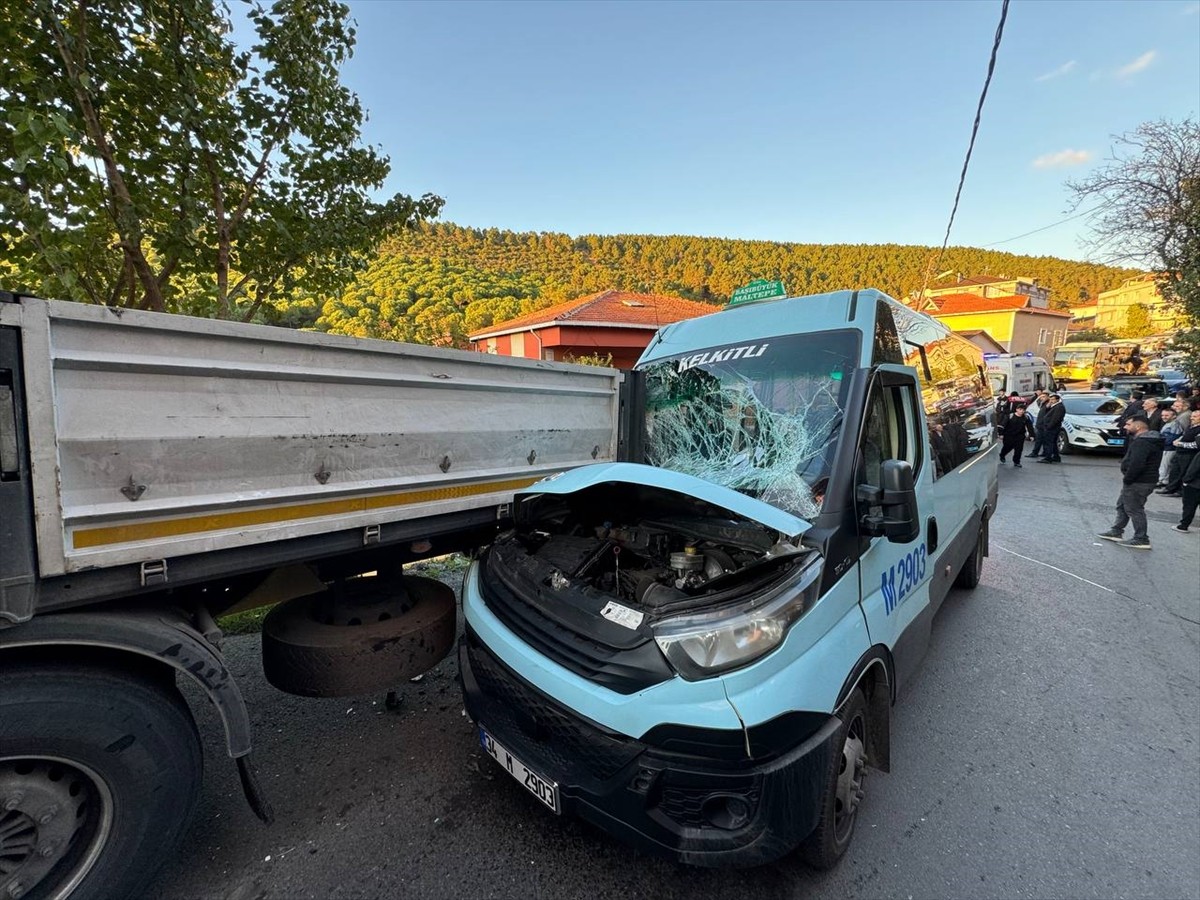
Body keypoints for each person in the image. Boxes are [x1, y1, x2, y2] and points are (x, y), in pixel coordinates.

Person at [1097, 415, 1164, 550]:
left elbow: (1137, 463)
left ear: (1138, 426)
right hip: (1139, 480)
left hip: (1139, 481)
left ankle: (1141, 538)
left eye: (1128, 424)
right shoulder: (1146, 440)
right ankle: (1116, 530)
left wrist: (1128, 478)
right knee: (1123, 505)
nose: (1125, 427)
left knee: (1134, 509)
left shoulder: (1143, 442)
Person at [1158, 412, 1200, 497]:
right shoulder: (1190, 426)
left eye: (1195, 416)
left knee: (1182, 473)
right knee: (1174, 471)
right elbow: (1183, 435)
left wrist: (1181, 444)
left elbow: (1196, 445)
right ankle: (1170, 488)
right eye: (1191, 416)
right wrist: (1178, 440)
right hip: (1179, 452)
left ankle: (1179, 491)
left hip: (1189, 454)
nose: (1192, 418)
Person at [1174, 450, 1200, 533]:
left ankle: (1184, 525)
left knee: (1189, 506)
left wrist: (1186, 480)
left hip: (1195, 484)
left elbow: (1194, 469)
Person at [1037, 394, 1066, 463]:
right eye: (1050, 399)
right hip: (1051, 427)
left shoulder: (1059, 407)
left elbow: (1055, 419)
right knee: (1053, 443)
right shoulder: (1054, 406)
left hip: (1052, 428)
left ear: (1057, 400)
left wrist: (1049, 427)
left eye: (1053, 399)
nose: (1051, 401)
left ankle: (1048, 458)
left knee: (1049, 443)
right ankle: (1056, 457)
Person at [1158, 407, 1182, 488]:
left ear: (1174, 416)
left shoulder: (1175, 424)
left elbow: (1172, 437)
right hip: (1165, 448)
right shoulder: (1168, 424)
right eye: (1162, 415)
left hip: (1170, 448)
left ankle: (1163, 481)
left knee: (1166, 465)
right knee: (1164, 464)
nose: (1164, 417)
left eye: (1166, 415)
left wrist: (1161, 443)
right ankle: (1162, 480)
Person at [1029, 391, 1052, 458]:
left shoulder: (1048, 404)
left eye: (1044, 397)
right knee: (1042, 440)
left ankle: (1035, 452)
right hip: (1040, 424)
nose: (1042, 398)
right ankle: (1044, 452)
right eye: (1041, 397)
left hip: (1043, 425)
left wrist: (1050, 402)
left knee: (1039, 440)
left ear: (1048, 397)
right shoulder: (1042, 404)